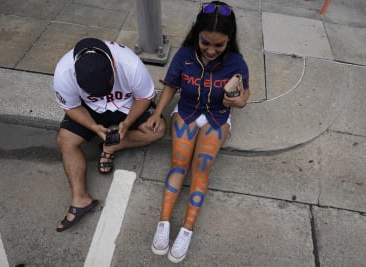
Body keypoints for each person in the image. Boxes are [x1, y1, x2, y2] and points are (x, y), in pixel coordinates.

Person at [147, 1, 250, 263]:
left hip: (217, 117)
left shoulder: (236, 62)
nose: (212, 50)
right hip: (187, 112)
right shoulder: (183, 55)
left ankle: (187, 229)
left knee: (201, 167)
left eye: (219, 45)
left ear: (229, 40)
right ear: (197, 34)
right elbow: (170, 85)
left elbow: (245, 93)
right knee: (179, 163)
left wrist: (238, 101)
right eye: (206, 43)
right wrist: (157, 114)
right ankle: (164, 222)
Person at [53, 38, 166, 232]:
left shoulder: (129, 63)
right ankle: (81, 200)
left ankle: (113, 145)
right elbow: (71, 107)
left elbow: (145, 97)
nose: (104, 95)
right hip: (90, 110)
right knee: (65, 140)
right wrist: (93, 126)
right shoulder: (63, 72)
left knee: (158, 129)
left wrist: (128, 122)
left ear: (113, 67)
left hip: (128, 105)